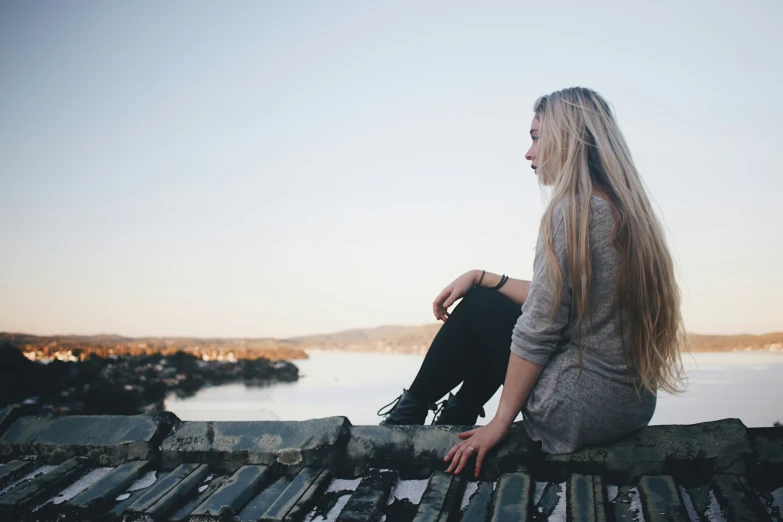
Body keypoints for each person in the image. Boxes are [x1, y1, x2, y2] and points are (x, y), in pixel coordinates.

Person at [376, 87, 687, 478]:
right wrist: (484, 276)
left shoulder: (571, 213)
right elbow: (556, 298)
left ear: (567, 139)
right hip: (630, 405)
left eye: (536, 137)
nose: (529, 152)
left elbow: (537, 329)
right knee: (488, 296)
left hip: (577, 407)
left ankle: (411, 417)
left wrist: (499, 425)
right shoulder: (624, 209)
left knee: (481, 308)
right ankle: (455, 414)